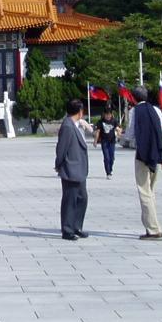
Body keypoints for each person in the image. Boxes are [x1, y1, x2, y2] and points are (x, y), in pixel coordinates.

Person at [122, 85, 162, 240]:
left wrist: (120, 136)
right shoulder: (156, 110)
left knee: (144, 192)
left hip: (142, 156)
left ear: (133, 98)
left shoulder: (134, 112)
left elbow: (129, 135)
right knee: (151, 191)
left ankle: (154, 230)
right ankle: (153, 226)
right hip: (157, 156)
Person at [54, 99, 89, 240]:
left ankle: (77, 226)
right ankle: (67, 229)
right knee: (70, 200)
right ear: (79, 112)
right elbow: (61, 148)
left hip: (79, 169)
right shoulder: (67, 126)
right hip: (70, 168)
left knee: (82, 198)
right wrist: (58, 163)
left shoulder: (75, 125)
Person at [94, 107, 120, 178]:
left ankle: (110, 169)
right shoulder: (100, 122)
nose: (108, 116)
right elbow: (98, 131)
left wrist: (119, 133)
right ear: (104, 114)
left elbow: (118, 128)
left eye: (109, 114)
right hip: (104, 142)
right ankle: (108, 172)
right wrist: (95, 141)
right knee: (106, 157)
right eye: (106, 114)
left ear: (111, 114)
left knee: (112, 157)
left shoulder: (114, 121)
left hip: (112, 142)